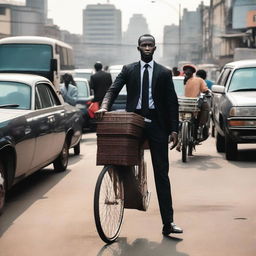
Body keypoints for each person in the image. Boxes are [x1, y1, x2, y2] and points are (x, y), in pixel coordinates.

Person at [95, 34, 183, 236]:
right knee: (118, 158)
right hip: (133, 121)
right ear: (138, 47)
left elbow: (171, 102)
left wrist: (174, 129)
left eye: (150, 45)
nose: (147, 48)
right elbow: (113, 90)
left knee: (161, 173)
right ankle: (124, 194)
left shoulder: (164, 72)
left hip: (157, 124)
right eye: (143, 45)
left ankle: (168, 223)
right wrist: (104, 107)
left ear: (155, 48)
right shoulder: (129, 70)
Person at [183, 64, 210, 140]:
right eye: (187, 70)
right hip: (188, 104)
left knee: (205, 106)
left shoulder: (198, 80)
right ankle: (200, 127)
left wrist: (206, 91)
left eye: (188, 70)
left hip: (189, 104)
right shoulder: (198, 80)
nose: (187, 71)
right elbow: (204, 89)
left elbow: (204, 89)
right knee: (206, 107)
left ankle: (200, 127)